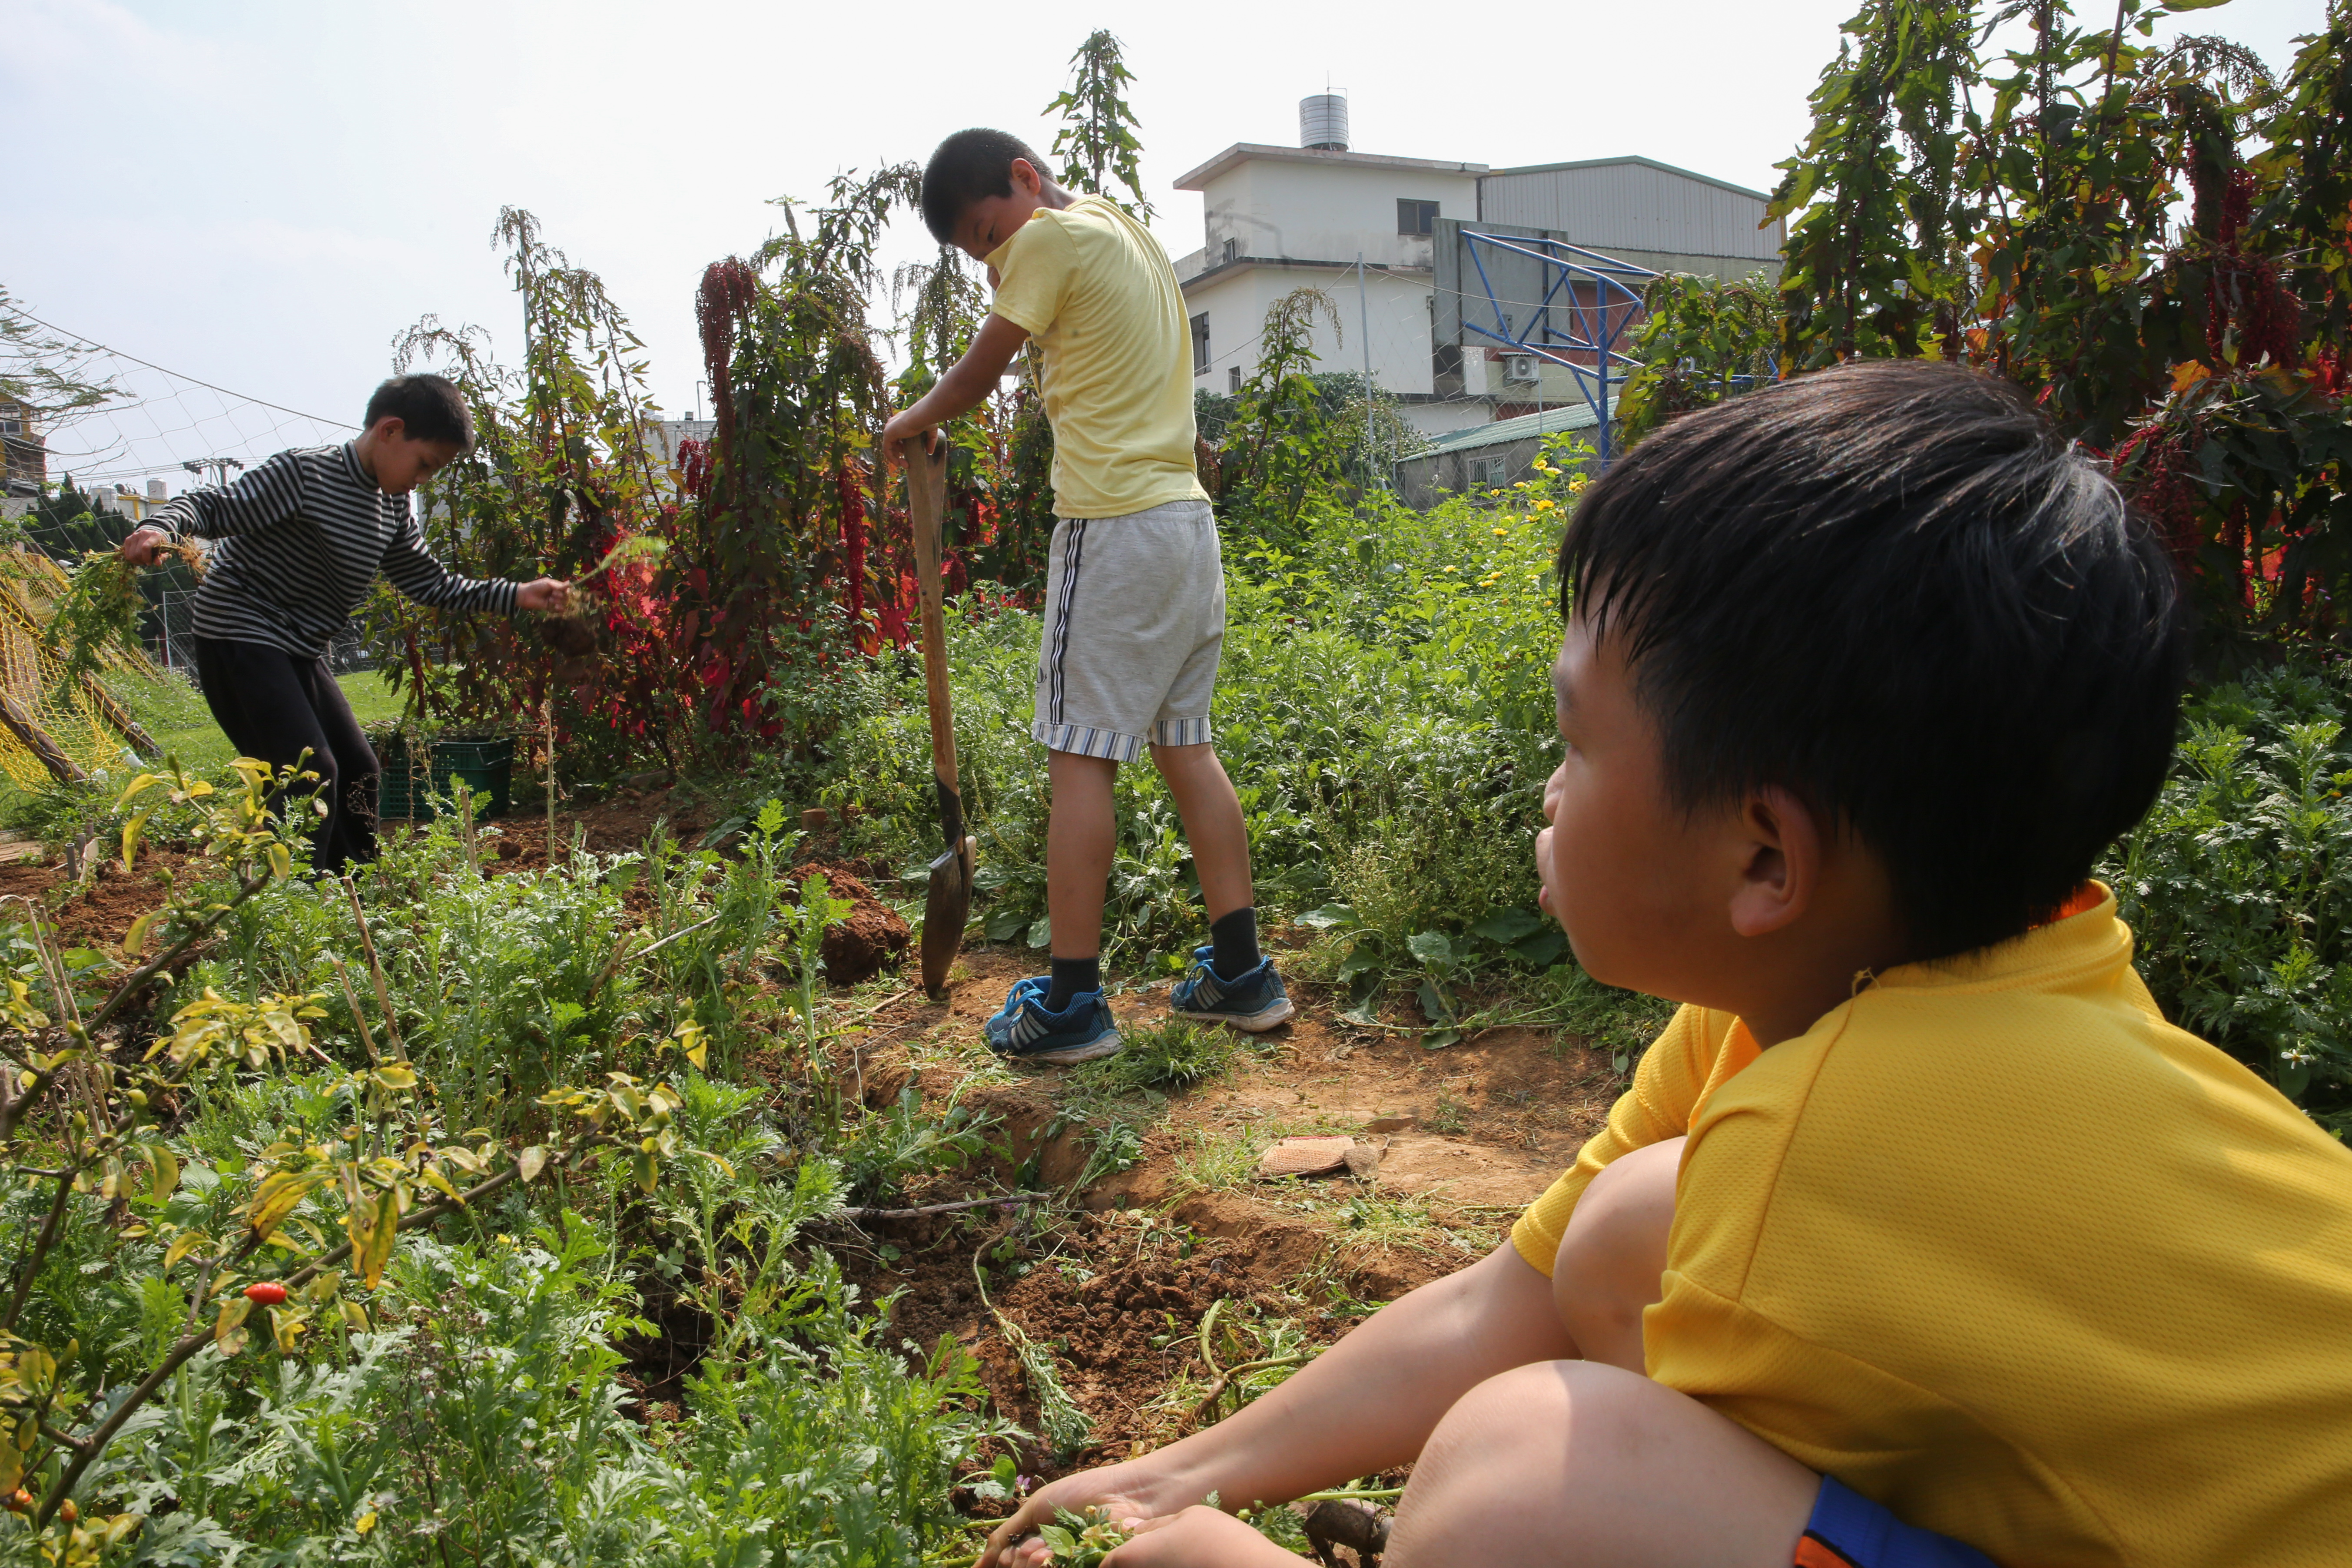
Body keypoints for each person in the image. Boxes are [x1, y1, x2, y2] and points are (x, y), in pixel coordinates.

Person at [978, 360, 2352, 1568]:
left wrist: (1202, 1554)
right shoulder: (1910, 992)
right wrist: (1181, 1473)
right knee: (1626, 1232)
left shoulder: (1824, 1143)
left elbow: (1543, 1492)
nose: (1549, 786)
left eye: (1574, 741)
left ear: (1766, 862)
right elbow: (1517, 1294)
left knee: (1520, 1486)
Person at [881, 129, 1290, 1064]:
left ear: (1026, 179)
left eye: (989, 230)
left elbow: (984, 367)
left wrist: (912, 420)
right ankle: (1242, 973)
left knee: (1079, 756)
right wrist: (1003, 262)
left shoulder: (1047, 241)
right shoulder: (1125, 235)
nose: (994, 254)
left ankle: (1071, 1001)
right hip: (1188, 529)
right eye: (979, 250)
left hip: (1113, 531)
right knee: (1186, 745)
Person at [120, 374, 569, 873]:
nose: (423, 480)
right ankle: (299, 902)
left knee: (359, 770)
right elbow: (211, 506)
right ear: (390, 431)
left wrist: (519, 594)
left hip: (297, 650)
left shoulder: (391, 505)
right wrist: (156, 527)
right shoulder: (305, 475)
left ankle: (358, 887)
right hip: (238, 634)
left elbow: (428, 582)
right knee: (308, 772)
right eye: (425, 464)